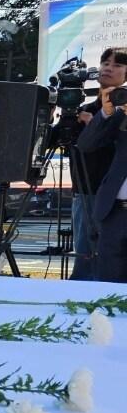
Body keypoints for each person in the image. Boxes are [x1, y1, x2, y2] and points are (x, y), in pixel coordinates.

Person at [70, 48, 127, 280]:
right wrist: (105, 113)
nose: (108, 68)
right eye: (105, 63)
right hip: (113, 210)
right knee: (106, 282)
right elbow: (86, 144)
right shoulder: (114, 112)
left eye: (117, 65)